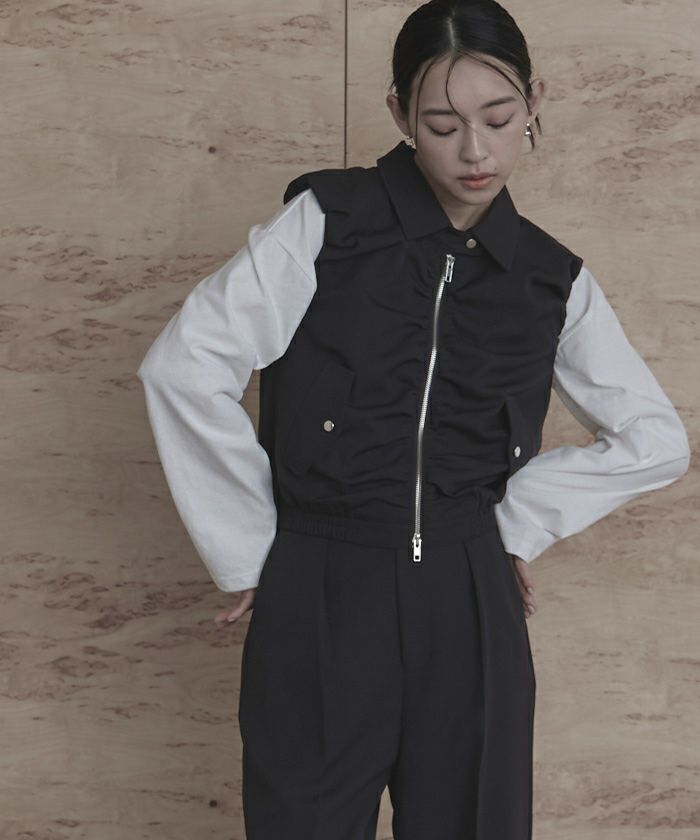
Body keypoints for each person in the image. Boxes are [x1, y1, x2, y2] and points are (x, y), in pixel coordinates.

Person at [136, 1, 690, 838]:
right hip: (322, 581)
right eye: (442, 124)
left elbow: (655, 441)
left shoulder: (549, 278)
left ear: (534, 101)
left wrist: (516, 524)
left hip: (470, 598)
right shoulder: (326, 224)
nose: (475, 151)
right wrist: (245, 545)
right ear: (399, 114)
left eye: (498, 119)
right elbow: (183, 365)